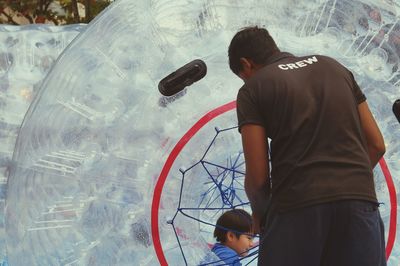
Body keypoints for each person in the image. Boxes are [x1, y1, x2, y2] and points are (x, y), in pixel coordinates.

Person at [228, 26, 386, 266]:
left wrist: (261, 213)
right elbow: (376, 144)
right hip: (359, 201)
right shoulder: (335, 67)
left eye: (243, 75)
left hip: (296, 204)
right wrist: (348, 180)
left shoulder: (254, 88)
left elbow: (258, 178)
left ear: (246, 64)